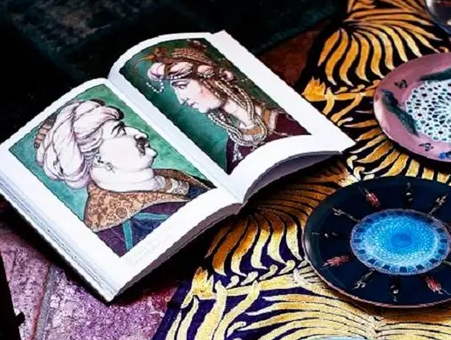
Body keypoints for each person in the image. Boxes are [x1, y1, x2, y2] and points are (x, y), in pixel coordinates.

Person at [35, 98, 208, 256]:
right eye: (119, 131)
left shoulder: (170, 177)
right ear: (99, 160)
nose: (140, 133)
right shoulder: (116, 232)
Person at [143, 41, 305, 172]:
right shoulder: (234, 145)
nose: (181, 100)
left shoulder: (288, 119)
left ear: (210, 78)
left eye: (183, 86)